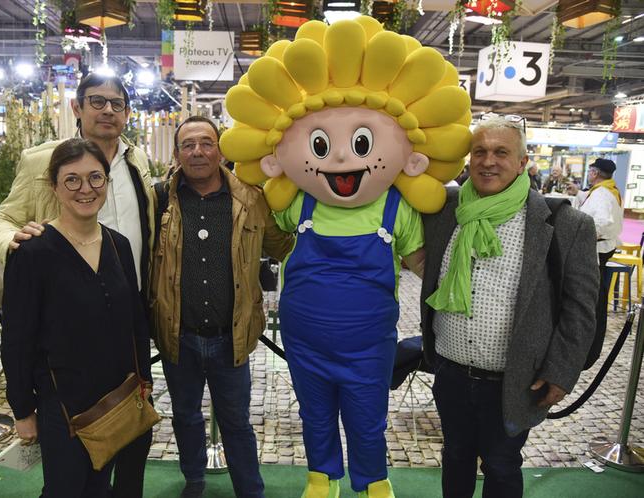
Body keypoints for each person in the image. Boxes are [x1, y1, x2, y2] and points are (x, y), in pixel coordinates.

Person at [219, 17, 471, 498]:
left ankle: (373, 478)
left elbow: (422, 264)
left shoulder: (397, 209)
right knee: (313, 411)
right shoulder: (299, 204)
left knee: (366, 413)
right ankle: (321, 476)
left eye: (360, 143)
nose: (339, 159)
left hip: (369, 343)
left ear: (411, 155)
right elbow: (255, 216)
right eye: (319, 145)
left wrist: (459, 295)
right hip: (304, 338)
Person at [0, 73, 154, 498]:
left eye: (116, 103)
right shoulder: (37, 236)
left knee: (115, 476)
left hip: (117, 377)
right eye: (97, 101)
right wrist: (20, 245)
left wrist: (143, 376)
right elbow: (18, 336)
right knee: (68, 484)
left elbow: (136, 309)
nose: (107, 110)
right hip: (63, 384)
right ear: (77, 107)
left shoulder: (137, 167)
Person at [421, 115, 599, 498]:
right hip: (450, 372)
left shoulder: (566, 224)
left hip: (515, 379)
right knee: (454, 456)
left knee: (502, 466)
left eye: (502, 152)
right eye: (480, 151)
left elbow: (580, 309)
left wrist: (562, 372)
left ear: (522, 162)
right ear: (468, 160)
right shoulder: (444, 210)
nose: (488, 161)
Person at [151, 115, 293, 498]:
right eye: (188, 144)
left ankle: (250, 489)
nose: (197, 151)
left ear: (220, 149)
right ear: (178, 153)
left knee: (237, 422)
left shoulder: (250, 199)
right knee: (185, 416)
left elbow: (285, 247)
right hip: (178, 334)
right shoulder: (161, 201)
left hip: (231, 337)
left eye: (206, 142)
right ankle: (194, 479)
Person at [567, 158, 623, 365]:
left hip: (596, 251)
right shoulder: (609, 190)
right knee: (595, 297)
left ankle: (588, 344)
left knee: (591, 299)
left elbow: (601, 222)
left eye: (591, 171)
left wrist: (580, 235)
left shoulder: (602, 193)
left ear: (595, 173)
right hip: (603, 249)